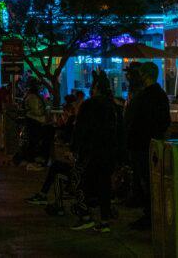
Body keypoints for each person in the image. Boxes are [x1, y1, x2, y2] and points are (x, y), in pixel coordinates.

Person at [70, 71, 121, 233]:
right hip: (109, 152)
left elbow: (80, 130)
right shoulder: (114, 106)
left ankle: (86, 216)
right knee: (104, 186)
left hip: (91, 152)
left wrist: (74, 149)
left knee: (82, 184)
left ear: (96, 87)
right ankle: (104, 220)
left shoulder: (89, 105)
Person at [124, 62, 170, 230]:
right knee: (148, 181)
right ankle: (149, 214)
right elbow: (165, 121)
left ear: (145, 76)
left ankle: (149, 215)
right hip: (149, 144)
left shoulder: (145, 97)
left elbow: (133, 120)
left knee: (146, 181)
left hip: (142, 145)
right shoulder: (159, 95)